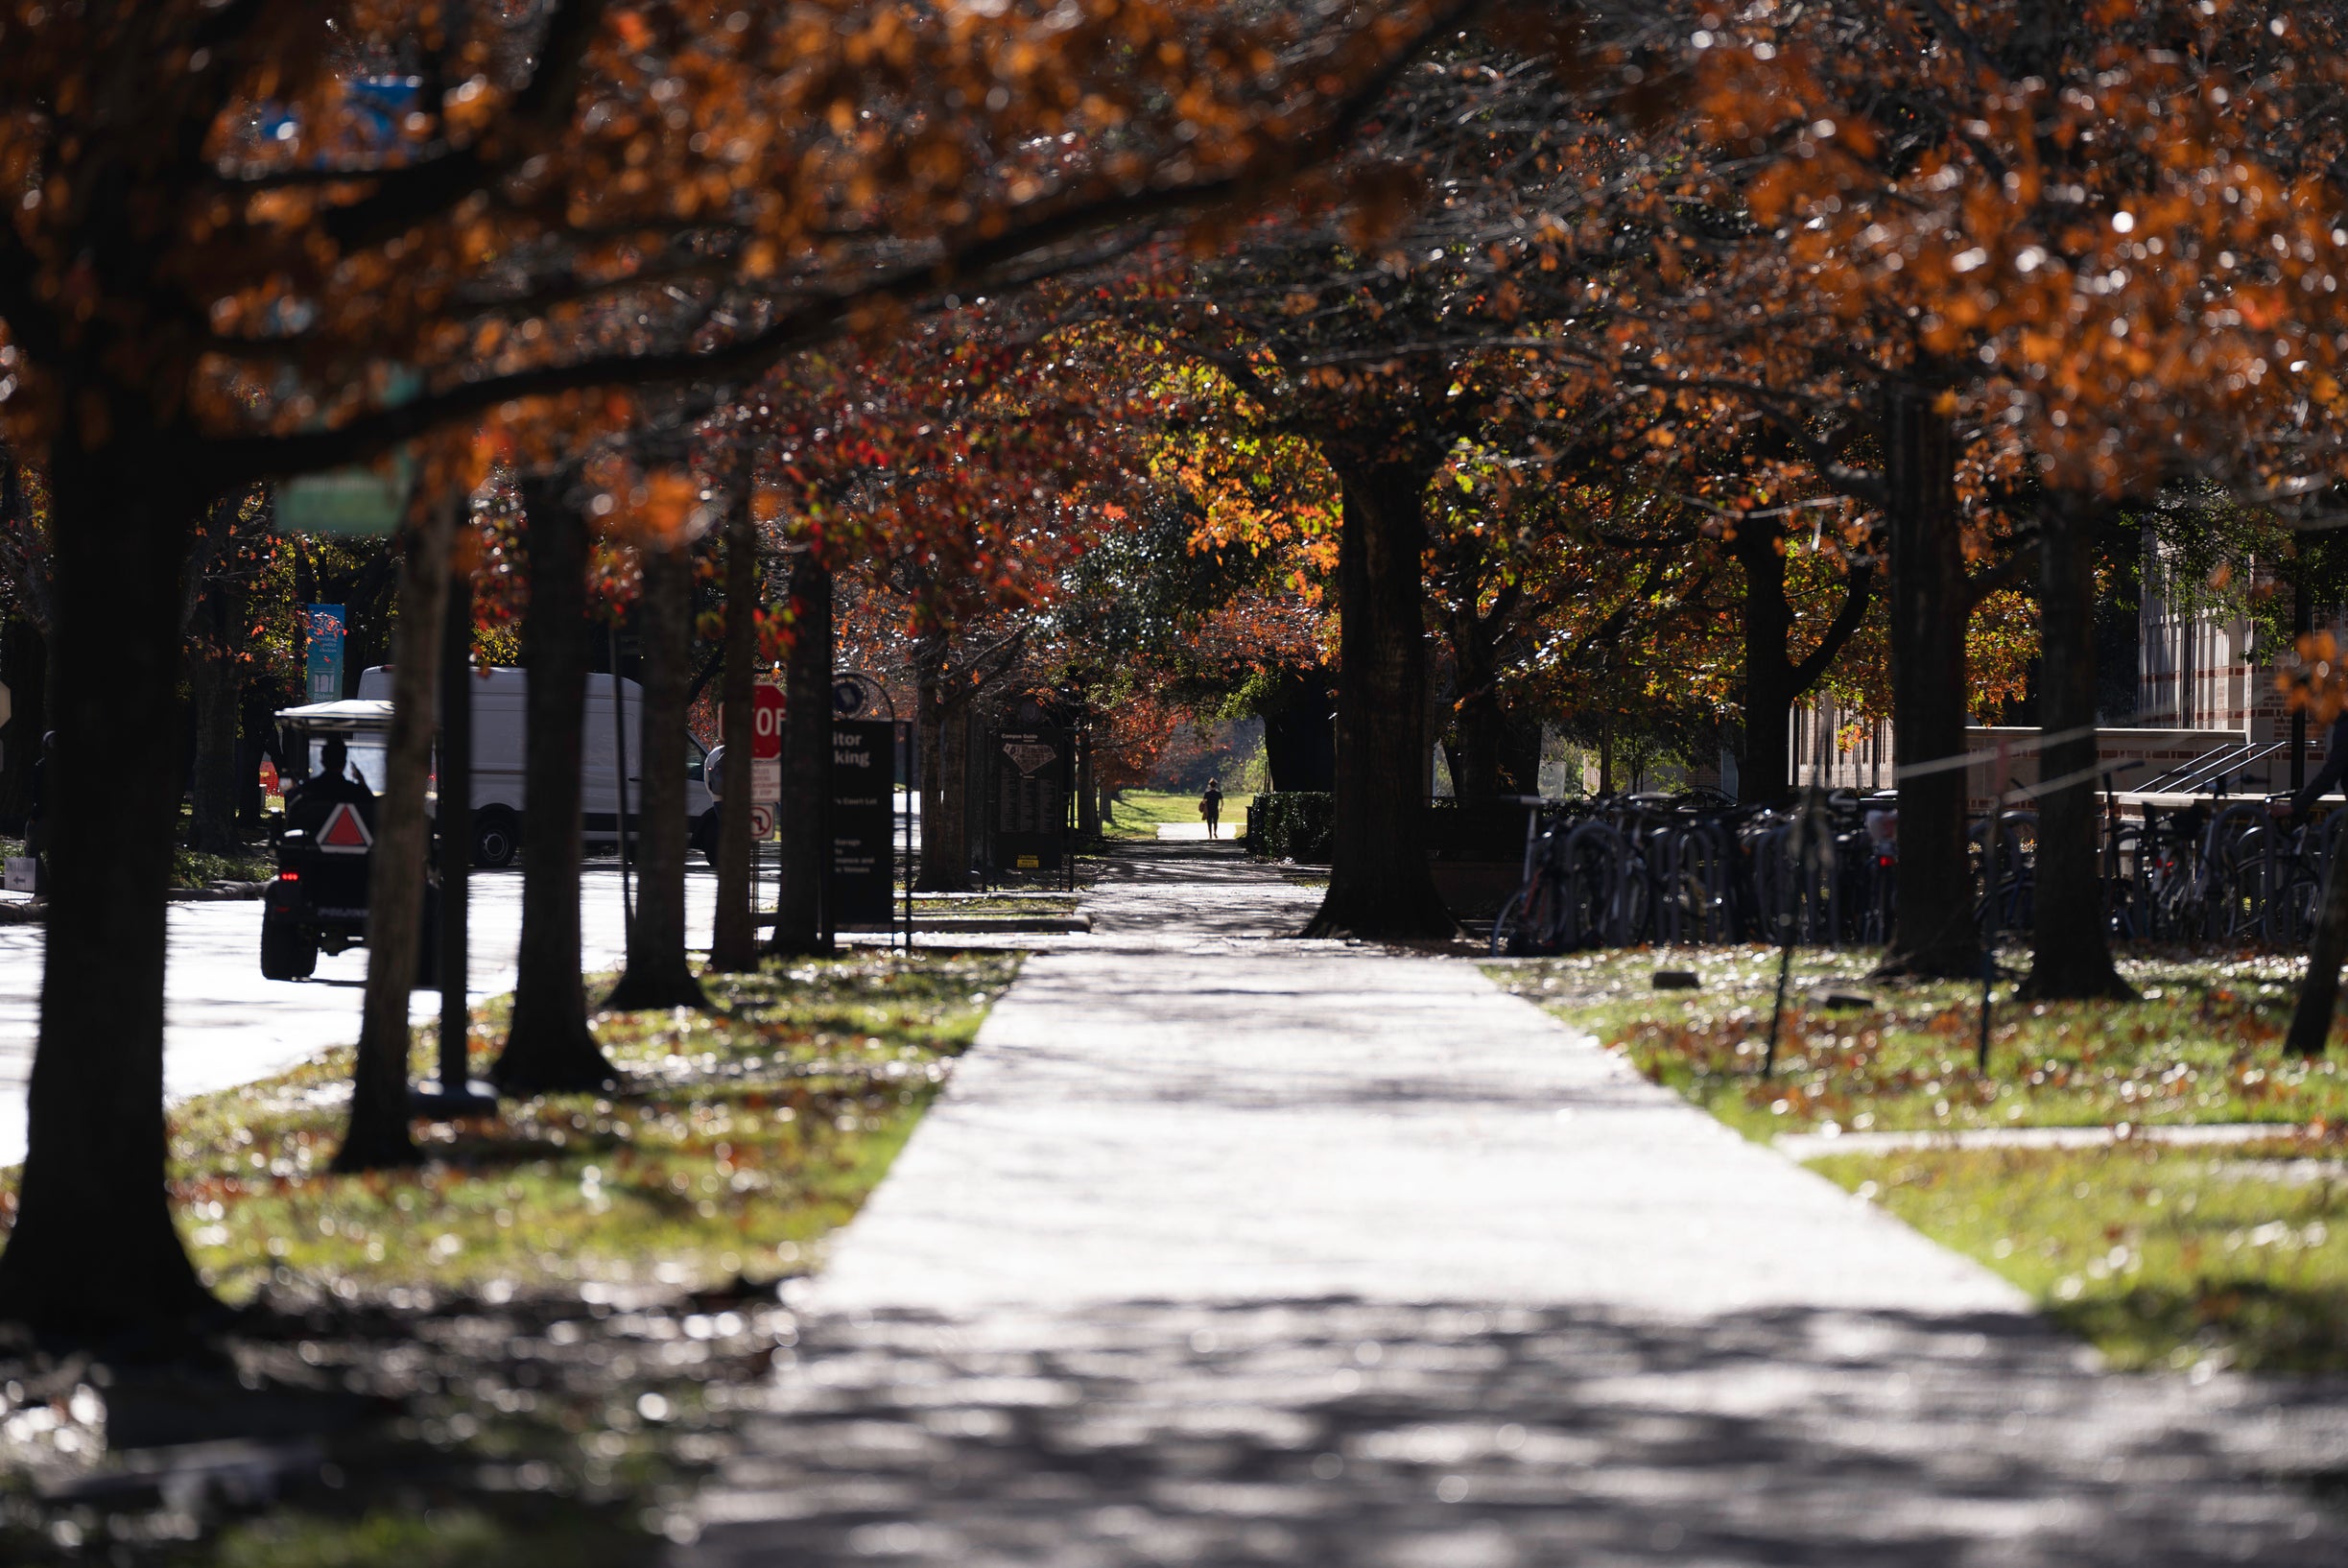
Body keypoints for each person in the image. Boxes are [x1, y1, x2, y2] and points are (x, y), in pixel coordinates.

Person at [285, 735, 378, 837]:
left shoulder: (305, 791)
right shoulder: (357, 793)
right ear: (344, 763)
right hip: (351, 848)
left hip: (310, 850)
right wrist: (362, 781)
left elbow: (292, 818)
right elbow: (373, 811)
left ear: (322, 761)